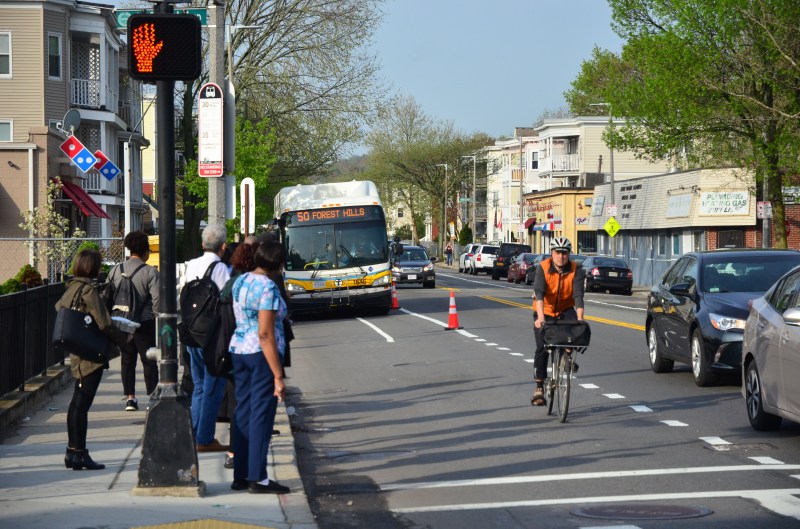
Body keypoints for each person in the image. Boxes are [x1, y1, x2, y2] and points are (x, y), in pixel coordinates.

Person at [56, 249, 127, 470]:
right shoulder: (88, 291)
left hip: (77, 350)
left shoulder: (72, 287)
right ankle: (80, 453)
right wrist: (123, 338)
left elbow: (60, 308)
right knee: (82, 404)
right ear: (92, 267)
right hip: (90, 354)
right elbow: (104, 322)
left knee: (77, 402)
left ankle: (72, 451)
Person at [228, 241, 290, 494]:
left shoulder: (241, 281)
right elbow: (265, 333)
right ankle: (258, 477)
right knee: (261, 416)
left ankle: (241, 474)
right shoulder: (268, 288)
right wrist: (278, 375)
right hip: (260, 354)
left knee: (242, 411)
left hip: (238, 349)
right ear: (278, 265)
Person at [183, 224, 231, 452]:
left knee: (199, 386)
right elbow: (226, 300)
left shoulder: (190, 265)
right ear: (223, 246)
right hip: (212, 336)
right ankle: (205, 438)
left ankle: (193, 433)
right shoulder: (220, 269)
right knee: (214, 387)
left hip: (191, 332)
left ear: (202, 244)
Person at [107, 230, 160, 411]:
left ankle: (130, 398)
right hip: (144, 323)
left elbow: (108, 294)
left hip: (121, 322)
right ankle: (152, 397)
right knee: (149, 361)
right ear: (146, 251)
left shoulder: (115, 270)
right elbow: (157, 300)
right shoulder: (150, 272)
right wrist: (155, 315)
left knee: (127, 360)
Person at [530, 237, 586, 406]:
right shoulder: (543, 268)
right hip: (544, 310)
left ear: (569, 254)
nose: (561, 256)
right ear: (552, 253)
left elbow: (578, 296)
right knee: (542, 347)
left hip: (565, 309)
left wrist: (581, 319)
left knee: (573, 331)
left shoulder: (577, 269)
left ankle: (566, 357)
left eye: (565, 253)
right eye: (558, 252)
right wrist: (540, 318)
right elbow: (539, 294)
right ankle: (539, 387)